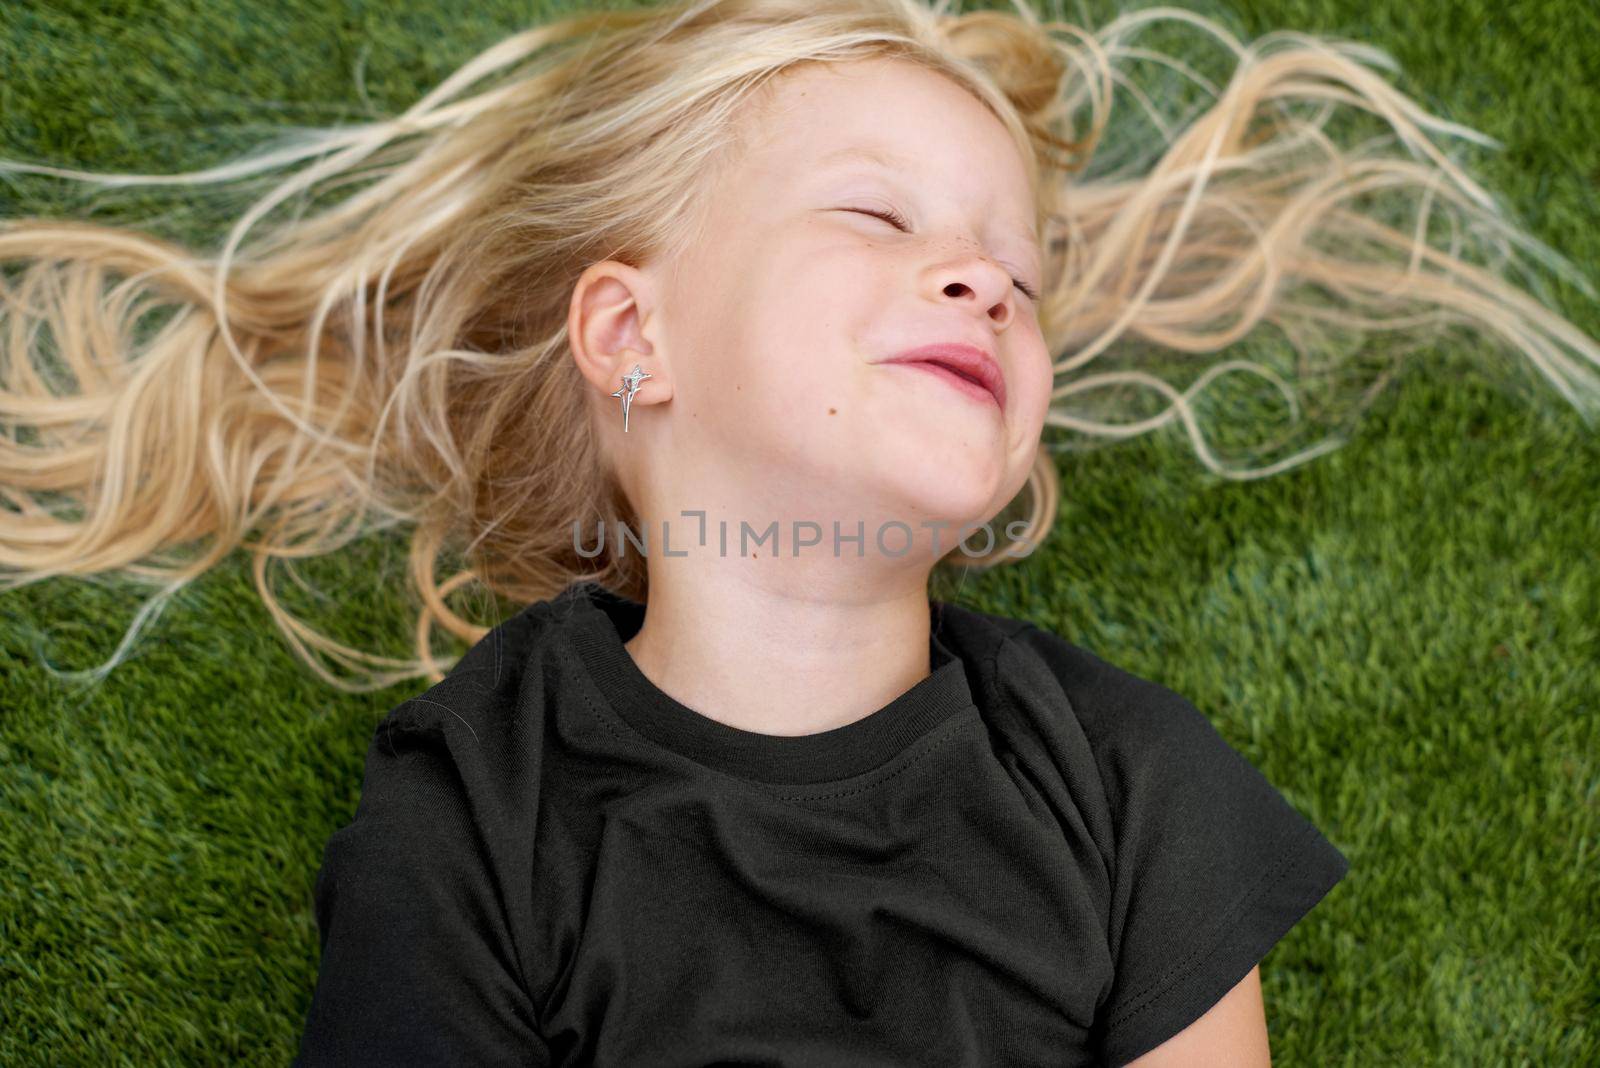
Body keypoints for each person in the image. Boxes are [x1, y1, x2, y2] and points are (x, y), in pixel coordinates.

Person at [3, 0, 1596, 1063]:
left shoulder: (1124, 784)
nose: (983, 280)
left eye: (1016, 275)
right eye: (876, 216)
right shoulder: (482, 811)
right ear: (635, 334)